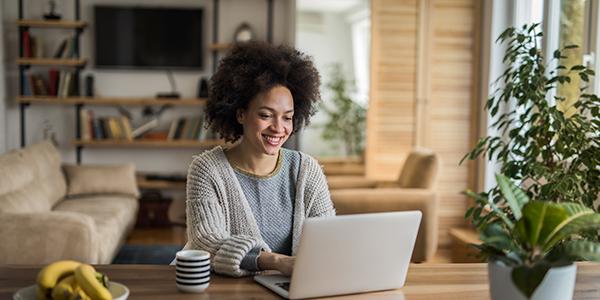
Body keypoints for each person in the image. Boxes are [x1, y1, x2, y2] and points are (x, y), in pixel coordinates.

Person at [182, 41, 336, 277]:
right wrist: (275, 261)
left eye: (287, 118)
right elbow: (206, 243)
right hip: (224, 289)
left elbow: (328, 238)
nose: (278, 128)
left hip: (291, 289)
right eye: (266, 115)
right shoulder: (207, 169)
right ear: (240, 113)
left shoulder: (307, 170)